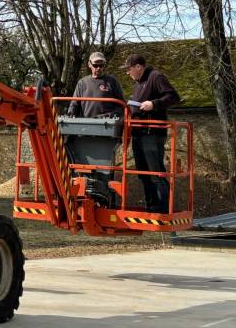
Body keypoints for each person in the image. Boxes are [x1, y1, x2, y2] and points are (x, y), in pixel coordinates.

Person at [121, 53, 180, 213]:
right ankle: (151, 207)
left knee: (155, 172)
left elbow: (173, 97)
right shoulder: (138, 83)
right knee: (143, 173)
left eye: (129, 69)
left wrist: (153, 104)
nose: (128, 73)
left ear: (138, 67)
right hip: (138, 133)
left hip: (152, 133)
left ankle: (164, 209)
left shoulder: (156, 77)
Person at [67, 52, 125, 118]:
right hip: (86, 123)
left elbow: (122, 106)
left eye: (101, 65)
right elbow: (74, 104)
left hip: (107, 124)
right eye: (95, 65)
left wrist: (108, 116)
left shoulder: (112, 81)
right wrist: (70, 115)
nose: (98, 68)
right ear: (89, 64)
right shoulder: (82, 83)